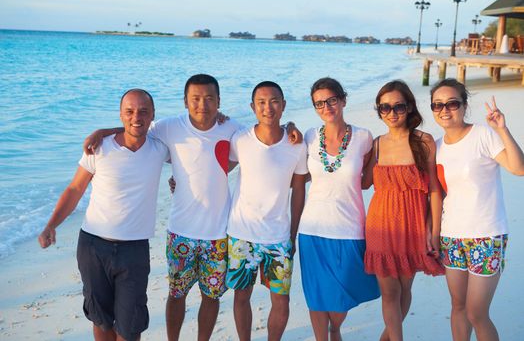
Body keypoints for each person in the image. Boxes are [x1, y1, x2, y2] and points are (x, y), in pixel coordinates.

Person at [83, 74, 302, 341]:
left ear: (219, 102)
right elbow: (134, 127)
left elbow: (266, 130)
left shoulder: (234, 129)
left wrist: (291, 125)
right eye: (195, 99)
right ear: (185, 101)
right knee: (176, 295)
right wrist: (102, 132)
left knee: (211, 298)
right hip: (180, 231)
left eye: (209, 99)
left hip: (219, 233)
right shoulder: (169, 127)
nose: (203, 105)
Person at [38, 89, 169, 341]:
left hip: (134, 250)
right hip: (93, 247)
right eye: (129, 112)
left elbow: (195, 143)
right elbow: (75, 189)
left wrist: (218, 117)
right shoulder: (99, 148)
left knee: (130, 327)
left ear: (153, 115)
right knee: (100, 318)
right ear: (120, 115)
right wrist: (51, 225)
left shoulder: (160, 148)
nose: (136, 117)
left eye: (143, 111)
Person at [430, 78, 524, 341]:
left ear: (464, 105)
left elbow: (519, 168)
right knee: (458, 307)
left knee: (477, 313)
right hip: (451, 236)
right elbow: (439, 195)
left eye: (452, 103)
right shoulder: (435, 148)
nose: (445, 110)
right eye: (437, 105)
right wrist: (434, 233)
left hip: (486, 235)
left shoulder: (483, 134)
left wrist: (503, 129)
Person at [297, 77, 380, 341]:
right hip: (312, 228)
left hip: (350, 227)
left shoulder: (364, 137)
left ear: (342, 100)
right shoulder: (309, 136)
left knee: (343, 292)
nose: (326, 106)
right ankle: (324, 337)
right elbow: (295, 174)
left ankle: (336, 327)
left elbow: (366, 181)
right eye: (319, 103)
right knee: (317, 293)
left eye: (331, 100)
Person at [226, 81, 308, 341]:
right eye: (261, 102)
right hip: (241, 234)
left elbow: (298, 193)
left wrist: (292, 235)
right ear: (252, 107)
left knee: (281, 300)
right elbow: (217, 171)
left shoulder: (296, 145)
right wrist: (179, 180)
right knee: (241, 295)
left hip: (278, 236)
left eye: (274, 101)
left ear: (283, 105)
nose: (267, 107)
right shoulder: (240, 139)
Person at [362, 80, 444, 341]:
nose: (392, 113)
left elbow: (434, 189)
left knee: (405, 288)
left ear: (409, 107)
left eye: (398, 106)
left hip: (413, 223)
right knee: (389, 292)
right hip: (381, 224)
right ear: (379, 111)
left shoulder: (423, 141)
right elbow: (363, 183)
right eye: (384, 108)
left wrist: (433, 230)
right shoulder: (375, 145)